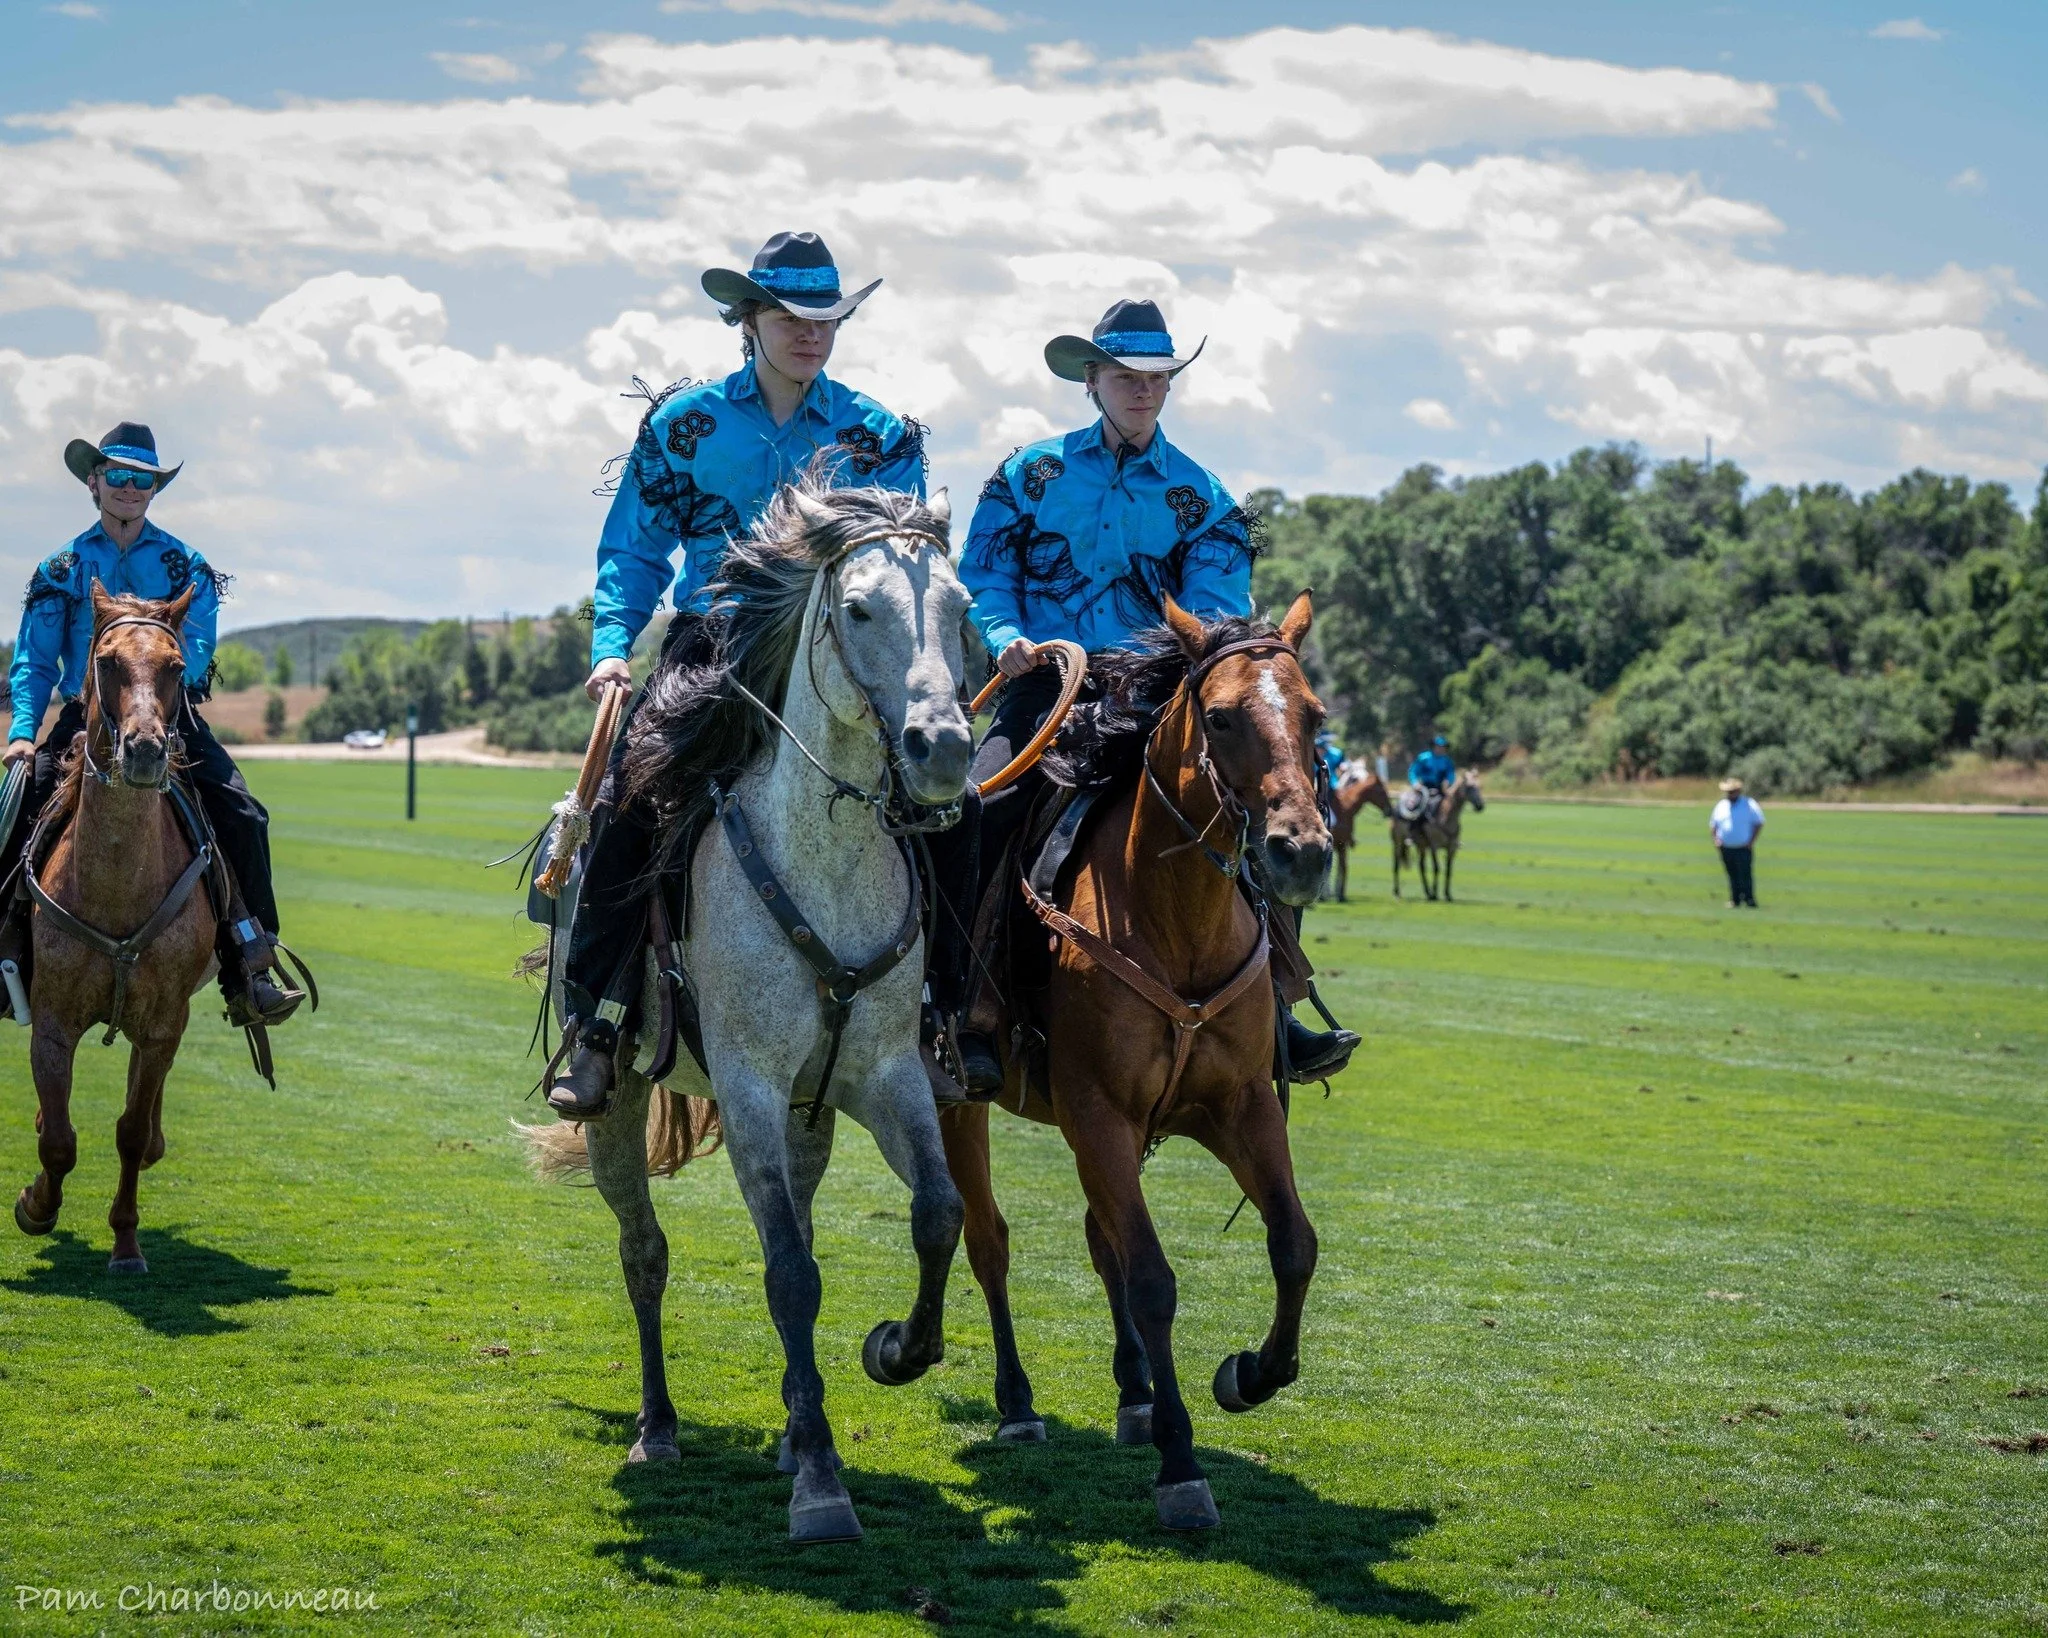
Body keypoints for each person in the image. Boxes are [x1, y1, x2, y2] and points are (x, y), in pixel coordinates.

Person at [931, 297, 1358, 1096]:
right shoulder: (1031, 475)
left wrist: (1174, 665)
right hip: (1046, 688)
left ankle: (1278, 1007)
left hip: (1159, 701)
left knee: (1272, 803)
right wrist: (1005, 637)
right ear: (1091, 380)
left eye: (1157, 377)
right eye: (1126, 375)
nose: (1142, 388)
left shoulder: (1204, 496)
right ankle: (964, 1010)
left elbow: (1217, 610)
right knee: (977, 810)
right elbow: (982, 575)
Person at [548, 231, 927, 1120]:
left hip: (840, 655)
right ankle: (598, 1022)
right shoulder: (685, 425)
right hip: (711, 647)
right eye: (792, 317)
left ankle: (942, 1017)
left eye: (826, 318)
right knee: (627, 800)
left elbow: (905, 561)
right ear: (748, 320)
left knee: (941, 803)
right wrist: (613, 646)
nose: (811, 332)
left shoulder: (879, 435)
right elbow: (634, 550)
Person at [0, 423, 306, 1029]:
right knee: (16, 807)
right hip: (84, 718)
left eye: (143, 480)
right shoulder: (60, 568)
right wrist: (23, 734)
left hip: (169, 714)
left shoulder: (187, 566)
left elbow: (196, 649)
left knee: (245, 815)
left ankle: (250, 964)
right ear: (94, 482)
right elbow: (34, 662)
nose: (130, 488)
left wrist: (154, 703)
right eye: (117, 475)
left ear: (154, 490)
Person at [1710, 775, 1764, 907]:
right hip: (1726, 847)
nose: (1730, 794)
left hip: (1743, 846)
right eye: (1728, 791)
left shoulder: (1749, 804)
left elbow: (1759, 823)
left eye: (1732, 791)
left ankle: (1749, 899)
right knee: (1732, 874)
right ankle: (1735, 899)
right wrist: (1716, 840)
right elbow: (1713, 824)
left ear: (1738, 791)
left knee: (1745, 874)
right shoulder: (1721, 805)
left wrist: (1751, 841)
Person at [1406, 734, 1455, 821]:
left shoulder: (1447, 761)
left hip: (1441, 788)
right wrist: (1415, 783)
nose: (1440, 749)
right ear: (1433, 746)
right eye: (1438, 746)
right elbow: (1413, 771)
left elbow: (1450, 774)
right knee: (1415, 805)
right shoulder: (1424, 758)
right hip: (1424, 787)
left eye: (1443, 747)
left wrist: (1448, 782)